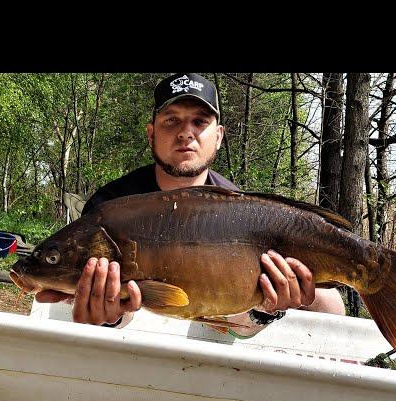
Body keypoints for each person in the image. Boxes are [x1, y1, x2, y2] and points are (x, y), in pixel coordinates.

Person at [36, 73, 345, 335]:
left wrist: (265, 309)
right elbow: (122, 311)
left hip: (214, 336)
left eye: (200, 121)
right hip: (138, 338)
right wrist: (113, 314)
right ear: (151, 133)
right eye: (172, 120)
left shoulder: (239, 208)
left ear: (219, 136)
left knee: (332, 305)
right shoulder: (111, 205)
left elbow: (231, 324)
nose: (186, 132)